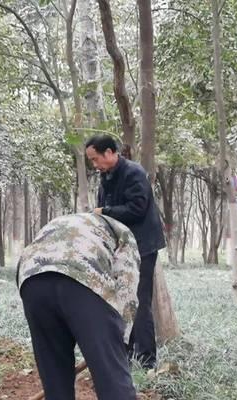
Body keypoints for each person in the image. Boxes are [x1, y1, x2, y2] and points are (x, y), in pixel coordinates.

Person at [17, 213, 140, 400]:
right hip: (82, 275)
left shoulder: (70, 221)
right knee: (113, 381)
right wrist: (120, 339)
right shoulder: (125, 234)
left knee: (55, 376)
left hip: (32, 279)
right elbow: (127, 289)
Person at [85, 134, 166, 369]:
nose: (94, 164)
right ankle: (126, 355)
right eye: (91, 161)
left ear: (109, 152)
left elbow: (137, 209)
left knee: (140, 302)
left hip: (142, 247)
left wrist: (104, 212)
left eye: (95, 159)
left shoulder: (134, 172)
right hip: (120, 248)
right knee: (121, 301)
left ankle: (148, 360)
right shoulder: (106, 176)